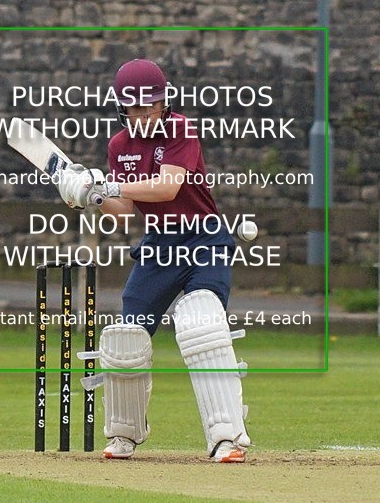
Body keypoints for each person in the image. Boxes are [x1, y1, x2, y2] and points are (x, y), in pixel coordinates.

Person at [58, 59, 250, 463]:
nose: (146, 114)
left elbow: (166, 187)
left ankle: (226, 438)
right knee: (126, 336)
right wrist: (86, 197)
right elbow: (124, 210)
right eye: (137, 108)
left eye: (153, 105)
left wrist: (106, 183)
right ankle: (124, 435)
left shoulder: (181, 130)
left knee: (202, 322)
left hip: (203, 237)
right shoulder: (118, 146)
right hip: (159, 245)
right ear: (122, 109)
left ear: (165, 102)